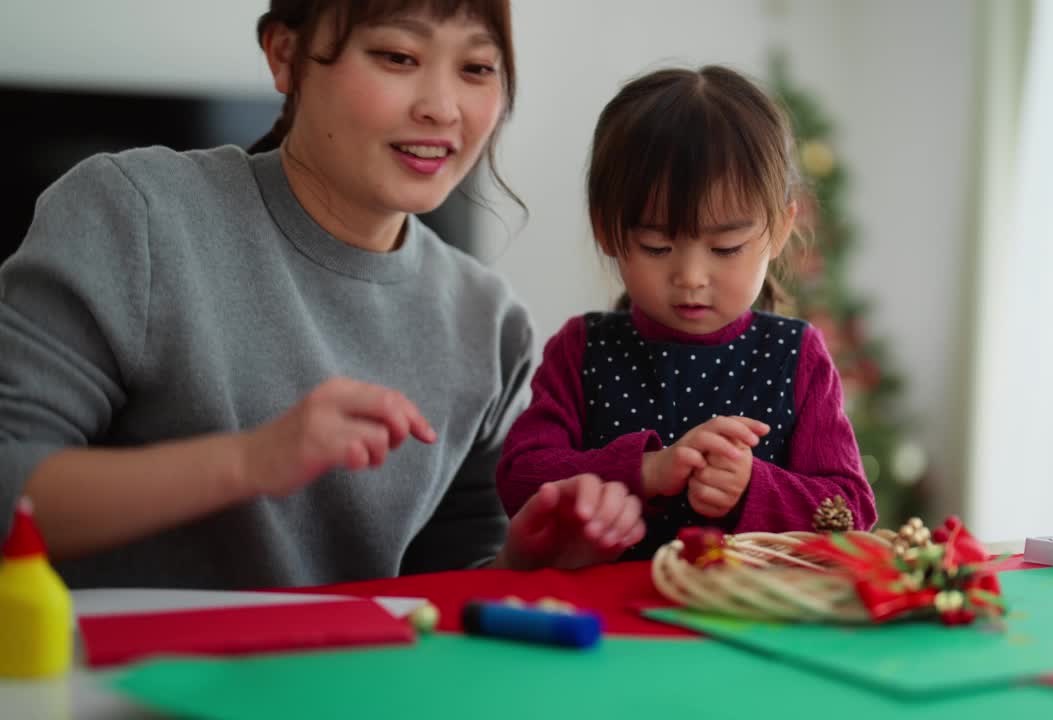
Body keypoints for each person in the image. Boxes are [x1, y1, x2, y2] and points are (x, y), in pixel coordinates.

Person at [0, 0, 642, 589]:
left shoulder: (490, 322)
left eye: (476, 67)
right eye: (398, 57)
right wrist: (253, 462)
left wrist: (522, 561)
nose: (442, 108)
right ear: (286, 55)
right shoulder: (133, 216)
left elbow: (445, 581)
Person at [496, 66, 878, 559]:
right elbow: (520, 480)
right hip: (605, 621)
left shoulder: (796, 355)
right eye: (657, 247)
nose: (691, 276)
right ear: (606, 230)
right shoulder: (583, 350)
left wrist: (752, 487)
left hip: (750, 618)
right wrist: (645, 470)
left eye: (726, 248)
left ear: (781, 230)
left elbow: (851, 513)